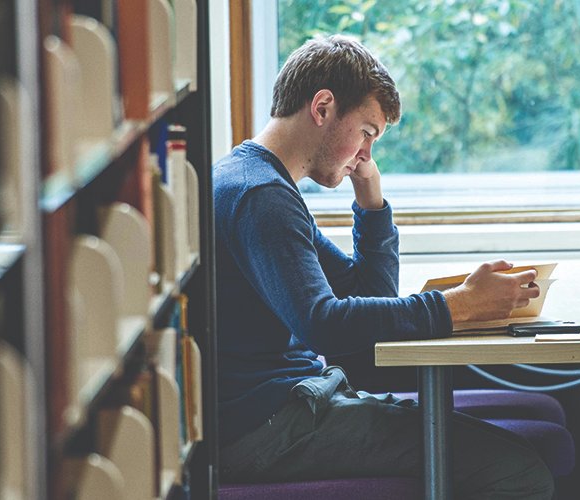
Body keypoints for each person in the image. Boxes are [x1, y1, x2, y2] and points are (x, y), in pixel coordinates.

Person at [212, 34, 554, 498]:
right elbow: (325, 325)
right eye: (367, 133)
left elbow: (367, 292)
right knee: (517, 469)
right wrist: (459, 306)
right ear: (323, 107)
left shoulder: (260, 182)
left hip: (293, 404)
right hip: (268, 426)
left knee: (525, 443)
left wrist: (371, 202)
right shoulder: (262, 196)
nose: (366, 153)